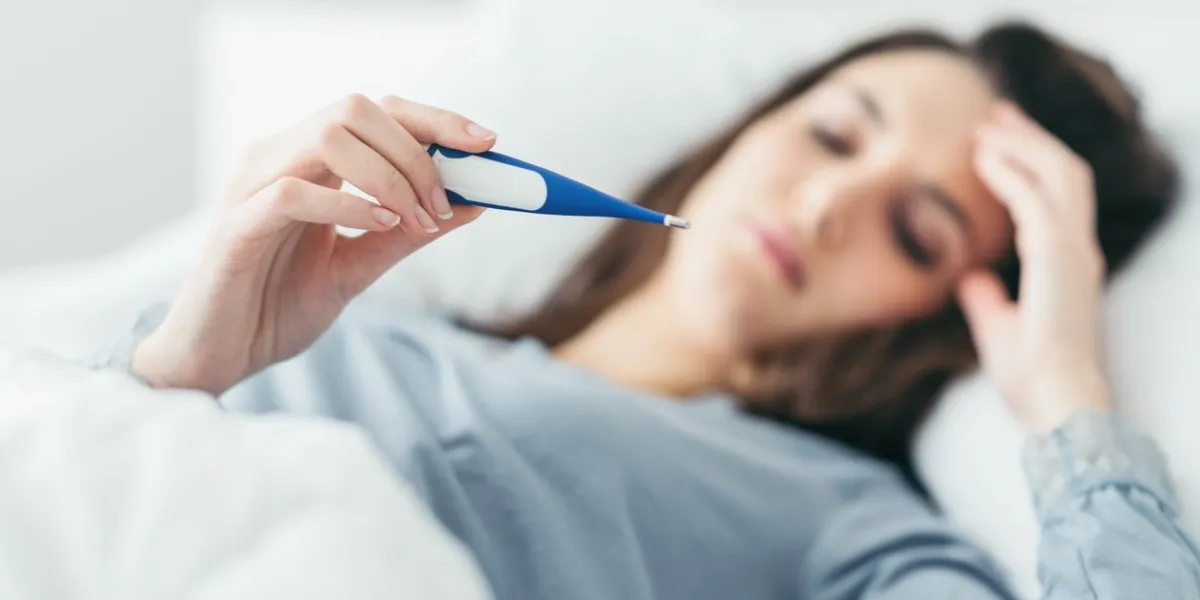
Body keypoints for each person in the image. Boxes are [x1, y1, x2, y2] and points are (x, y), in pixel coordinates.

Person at [93, 22, 1200, 600]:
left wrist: (1070, 399)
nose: (826, 206)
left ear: (945, 313)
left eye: (915, 231)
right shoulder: (341, 318)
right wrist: (178, 374)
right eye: (832, 135)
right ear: (751, 126)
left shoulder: (849, 525)